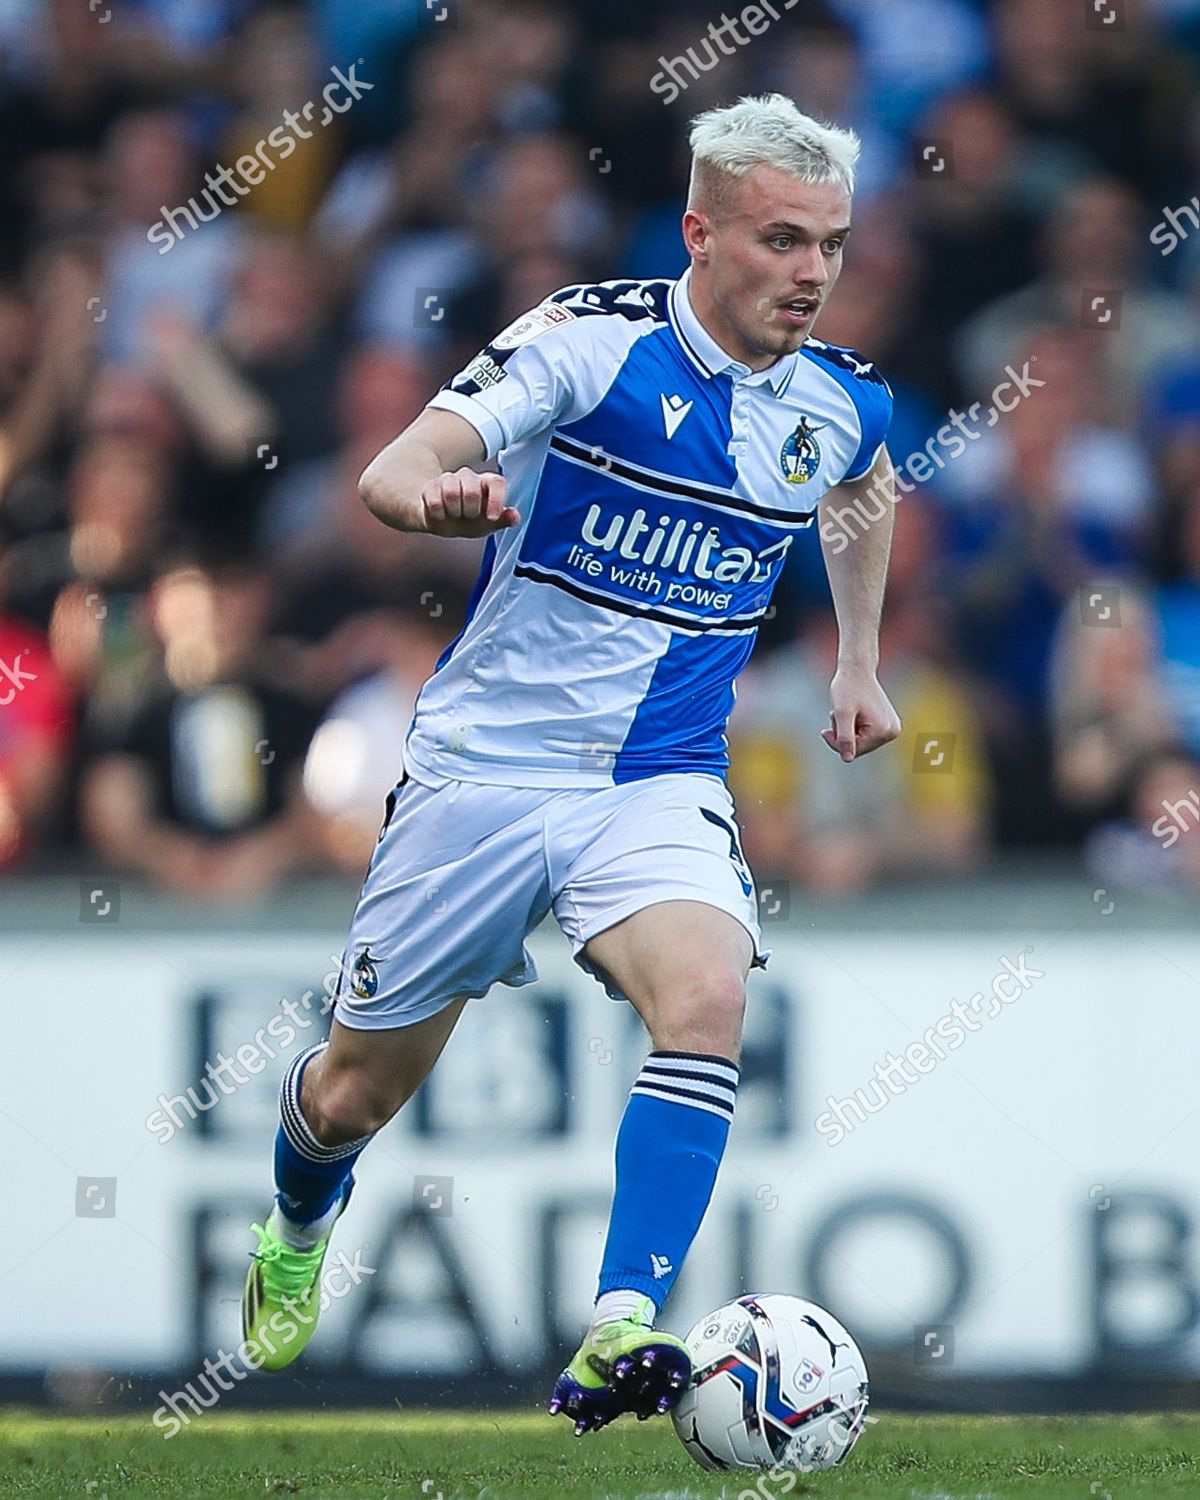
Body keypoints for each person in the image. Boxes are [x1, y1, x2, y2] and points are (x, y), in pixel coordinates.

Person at [241, 93, 902, 1435]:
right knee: (350, 1092)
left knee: (709, 998)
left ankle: (620, 1326)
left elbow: (864, 486)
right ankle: (300, 1220)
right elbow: (394, 464)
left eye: (831, 243)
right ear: (700, 234)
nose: (813, 274)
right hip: (483, 773)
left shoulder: (841, 400)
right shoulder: (585, 344)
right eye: (782, 241)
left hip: (655, 780)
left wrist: (856, 659)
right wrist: (431, 495)